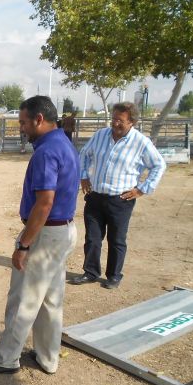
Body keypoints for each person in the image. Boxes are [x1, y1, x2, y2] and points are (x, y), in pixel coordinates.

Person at [0, 95, 78, 375]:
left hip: (46, 234)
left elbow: (44, 204)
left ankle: (6, 359)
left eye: (23, 122)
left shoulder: (46, 152)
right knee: (50, 299)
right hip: (63, 230)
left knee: (24, 299)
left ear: (39, 120)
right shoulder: (63, 143)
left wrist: (23, 244)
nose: (21, 128)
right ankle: (47, 357)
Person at [69, 102, 166, 289]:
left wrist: (142, 189)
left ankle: (114, 275)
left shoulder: (141, 142)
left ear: (132, 122)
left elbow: (159, 165)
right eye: (114, 119)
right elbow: (84, 154)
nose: (115, 124)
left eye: (120, 121)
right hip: (95, 196)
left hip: (120, 200)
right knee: (92, 238)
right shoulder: (100, 135)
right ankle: (90, 272)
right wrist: (83, 176)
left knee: (117, 240)